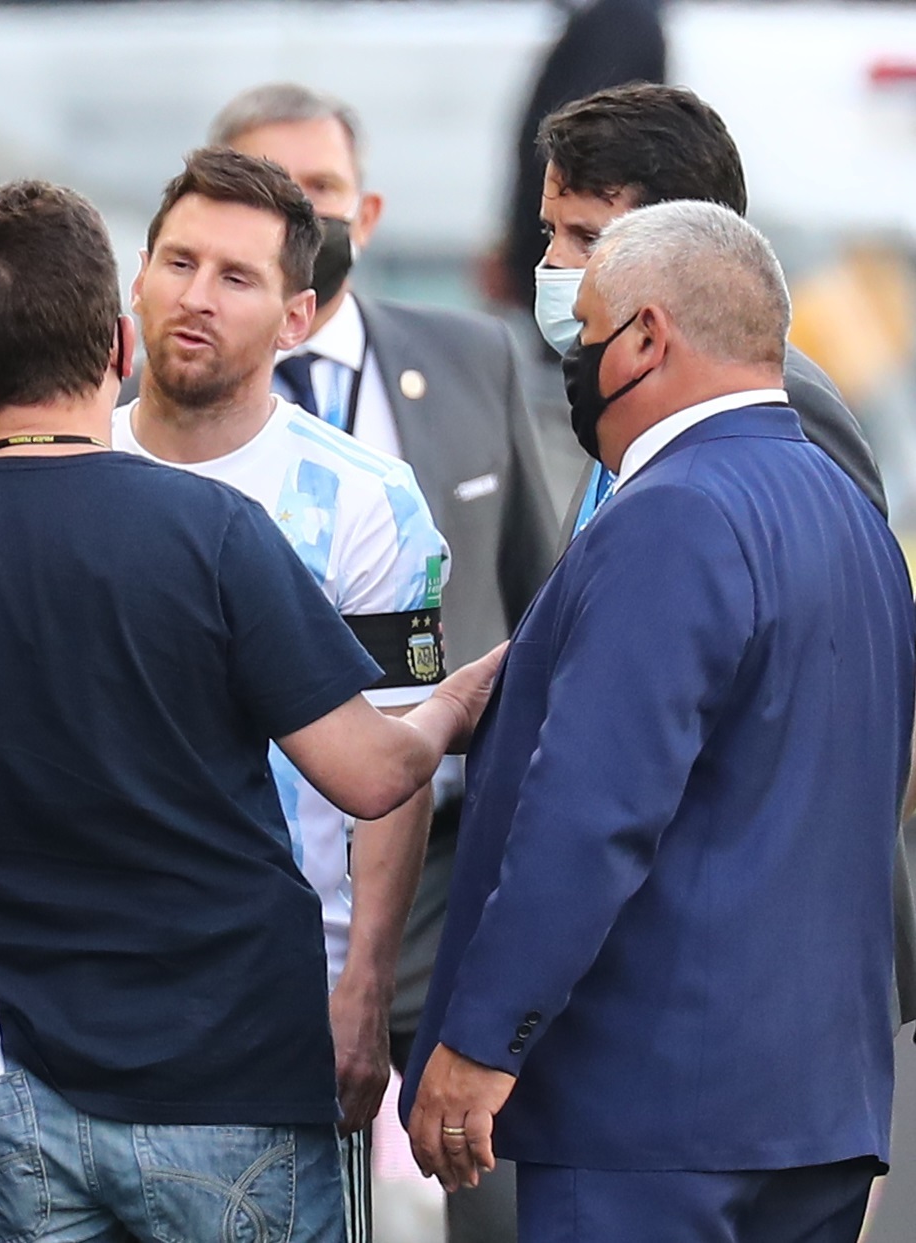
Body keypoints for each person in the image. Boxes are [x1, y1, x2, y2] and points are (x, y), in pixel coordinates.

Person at [0, 177, 503, 1243]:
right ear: (118, 342)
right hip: (223, 1069)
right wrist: (461, 698)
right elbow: (371, 773)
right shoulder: (216, 532)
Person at [405, 200, 915, 1242]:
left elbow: (590, 814)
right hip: (813, 1110)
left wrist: (483, 1039)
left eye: (588, 332)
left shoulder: (672, 510)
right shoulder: (853, 519)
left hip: (650, 1114)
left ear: (646, 338)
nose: (572, 359)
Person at [210, 88, 559, 1235]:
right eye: (270, 187)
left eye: (320, 189)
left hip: (454, 870)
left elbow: (541, 596)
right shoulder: (150, 402)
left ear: (365, 209)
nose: (301, 212)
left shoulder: (471, 357)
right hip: (246, 879)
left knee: (498, 1198)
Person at [114, 145, 450, 1242]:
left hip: (277, 1012)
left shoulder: (365, 500)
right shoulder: (65, 463)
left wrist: (365, 986)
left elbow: (396, 764)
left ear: (298, 316)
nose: (196, 297)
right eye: (179, 262)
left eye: (237, 276)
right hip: (69, 1003)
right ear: (137, 278)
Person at [533, 83, 886, 528]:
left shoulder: (778, 399)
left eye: (588, 238)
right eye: (551, 232)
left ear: (687, 242)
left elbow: (844, 555)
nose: (553, 260)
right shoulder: (626, 389)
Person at [489, 0, 666, 312]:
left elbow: (586, 147)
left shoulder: (621, 21)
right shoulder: (612, 19)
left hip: (580, 270)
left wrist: (533, 245)